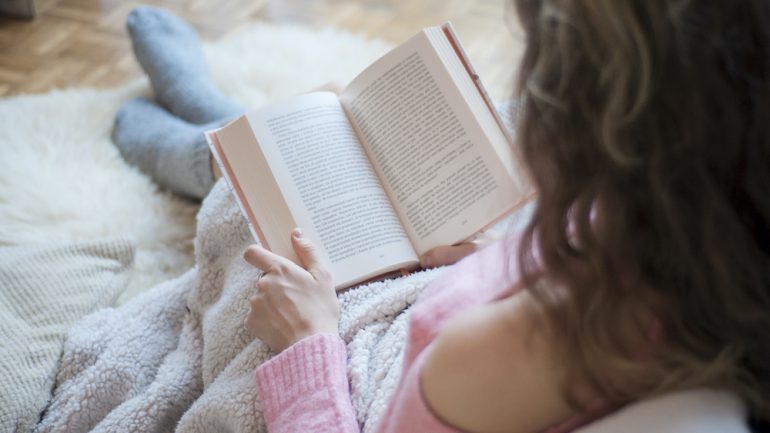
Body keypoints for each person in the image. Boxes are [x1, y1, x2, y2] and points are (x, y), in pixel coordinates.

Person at [113, 2, 770, 432]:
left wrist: (309, 341)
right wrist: (486, 256)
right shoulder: (704, 241)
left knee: (258, 205)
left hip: (340, 365)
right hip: (435, 284)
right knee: (334, 112)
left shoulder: (500, 356)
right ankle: (215, 125)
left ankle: (203, 149)